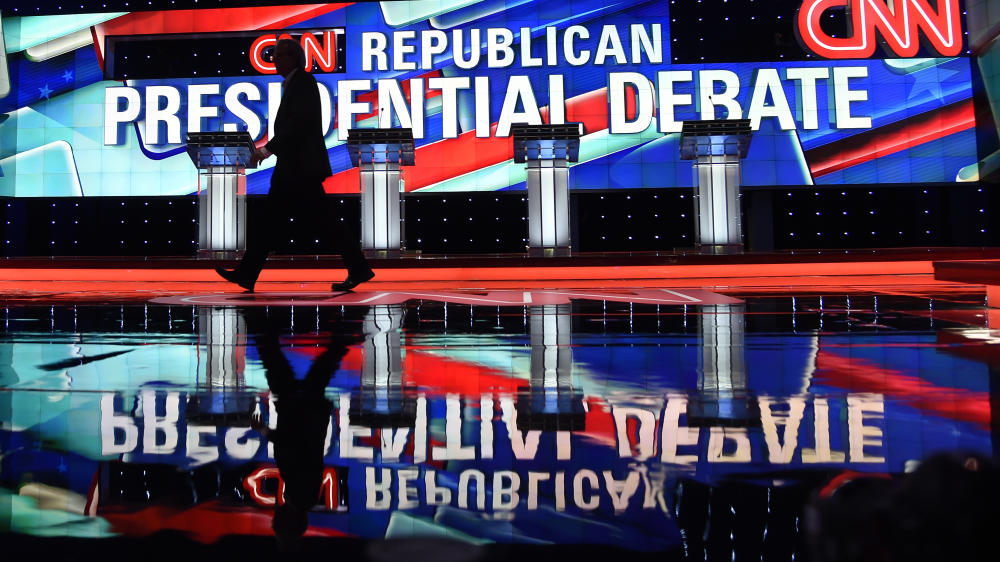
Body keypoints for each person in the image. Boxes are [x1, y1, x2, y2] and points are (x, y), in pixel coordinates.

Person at [216, 38, 374, 293]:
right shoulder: (294, 84)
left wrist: (267, 150)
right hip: (294, 168)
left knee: (322, 222)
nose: (273, 60)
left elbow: (297, 124)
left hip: (300, 169)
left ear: (291, 57)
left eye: (277, 55)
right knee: (275, 221)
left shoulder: (303, 82)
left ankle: (358, 268)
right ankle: (247, 274)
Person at [247, 307, 366, 548]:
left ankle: (349, 327)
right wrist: (265, 432)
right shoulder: (301, 494)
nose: (272, 518)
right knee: (275, 359)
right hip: (300, 413)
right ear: (285, 519)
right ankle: (258, 318)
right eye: (276, 523)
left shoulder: (303, 496)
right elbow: (294, 448)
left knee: (314, 365)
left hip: (304, 414)